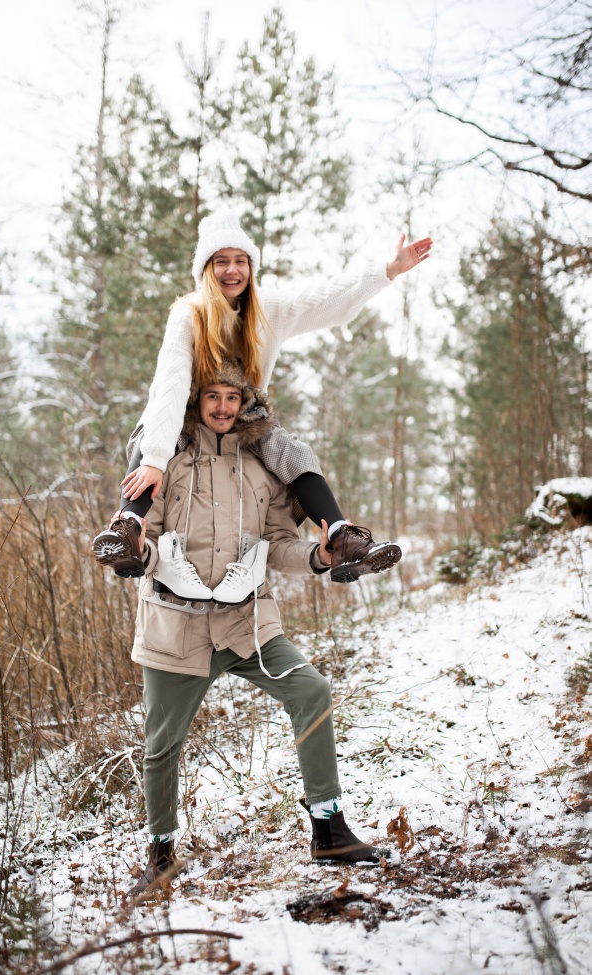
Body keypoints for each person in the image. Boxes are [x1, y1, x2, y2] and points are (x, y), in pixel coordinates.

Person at [127, 360, 400, 897]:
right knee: (161, 744)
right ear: (195, 401)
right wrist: (138, 551)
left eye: (233, 397)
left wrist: (319, 556)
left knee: (312, 690)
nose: (224, 407)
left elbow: (277, 545)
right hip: (175, 629)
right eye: (214, 397)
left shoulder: (261, 469)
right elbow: (146, 533)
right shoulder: (168, 462)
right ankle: (159, 854)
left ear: (246, 402)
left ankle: (328, 829)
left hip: (248, 624)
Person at [93, 209, 432, 585]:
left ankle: (341, 538)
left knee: (295, 452)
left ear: (251, 267)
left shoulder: (267, 309)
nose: (231, 271)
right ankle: (128, 529)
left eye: (240, 261)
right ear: (206, 269)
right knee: (153, 436)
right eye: (221, 262)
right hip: (187, 411)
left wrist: (384, 271)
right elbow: (171, 385)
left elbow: (324, 300)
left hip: (245, 413)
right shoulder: (189, 314)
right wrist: (155, 458)